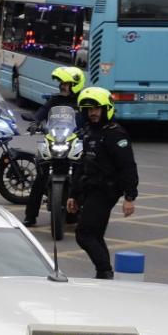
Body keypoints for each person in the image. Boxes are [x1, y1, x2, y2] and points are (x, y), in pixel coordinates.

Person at [67, 87, 138, 279]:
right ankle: (104, 272)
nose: (93, 113)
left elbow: (128, 166)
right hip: (90, 189)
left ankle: (104, 271)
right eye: (89, 109)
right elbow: (82, 165)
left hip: (106, 191)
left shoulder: (115, 134)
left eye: (97, 109)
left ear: (107, 109)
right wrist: (73, 195)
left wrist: (129, 197)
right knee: (95, 234)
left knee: (84, 234)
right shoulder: (90, 132)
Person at [23, 67, 85, 227]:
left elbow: (91, 120)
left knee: (84, 174)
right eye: (61, 83)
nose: (62, 86)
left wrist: (88, 131)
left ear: (75, 84)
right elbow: (43, 112)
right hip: (55, 139)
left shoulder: (83, 101)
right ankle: (30, 215)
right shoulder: (55, 100)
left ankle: (80, 211)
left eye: (66, 83)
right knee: (41, 176)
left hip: (75, 141)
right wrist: (35, 121)